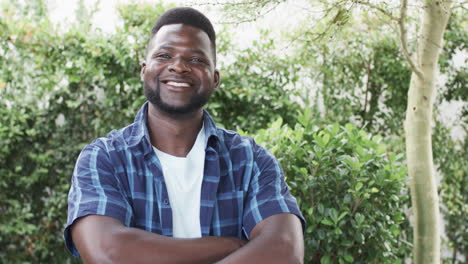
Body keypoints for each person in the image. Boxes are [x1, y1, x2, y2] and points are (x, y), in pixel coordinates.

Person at [64, 7, 305, 264]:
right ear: (144, 70)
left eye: (196, 60)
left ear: (214, 78)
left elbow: (284, 250)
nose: (178, 67)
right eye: (165, 55)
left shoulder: (251, 161)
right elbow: (108, 253)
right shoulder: (104, 158)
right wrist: (234, 246)